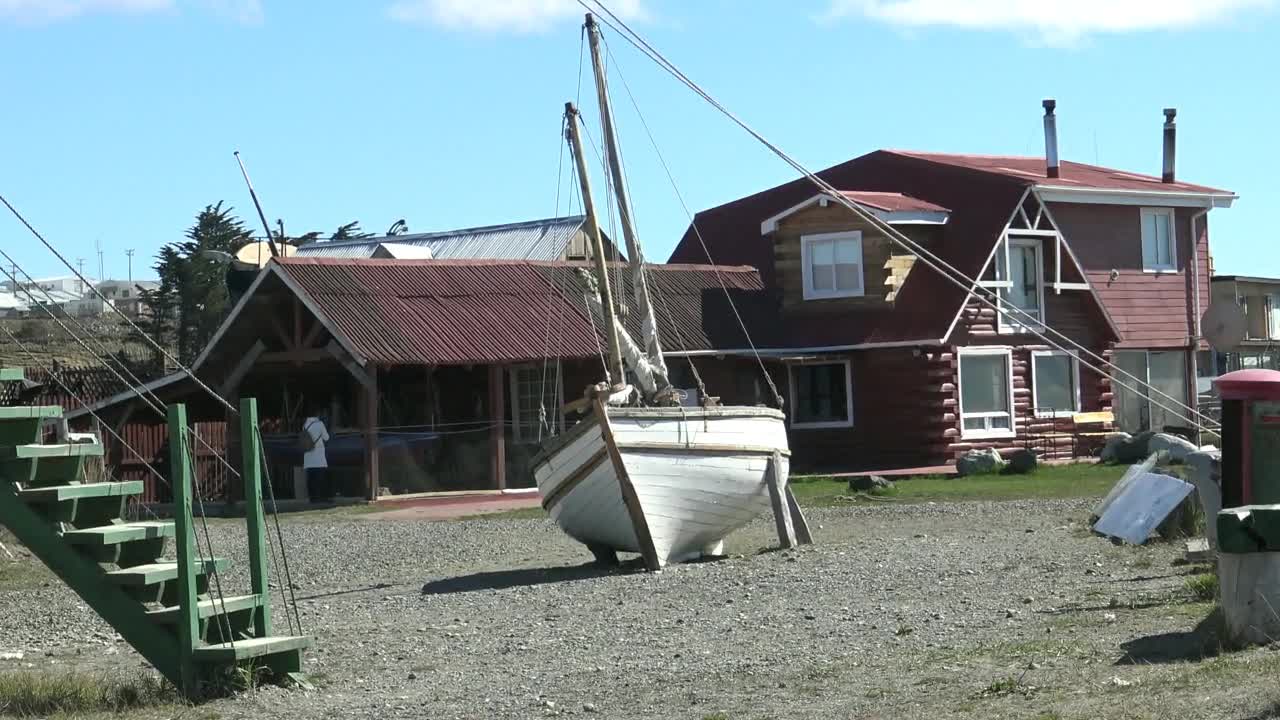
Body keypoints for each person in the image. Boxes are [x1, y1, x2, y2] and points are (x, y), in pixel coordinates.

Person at [300, 412, 331, 503]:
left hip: (308, 457)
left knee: (311, 479)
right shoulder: (320, 424)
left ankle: (312, 498)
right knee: (320, 478)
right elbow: (326, 438)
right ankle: (320, 497)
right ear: (317, 415)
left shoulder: (305, 425)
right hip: (318, 457)